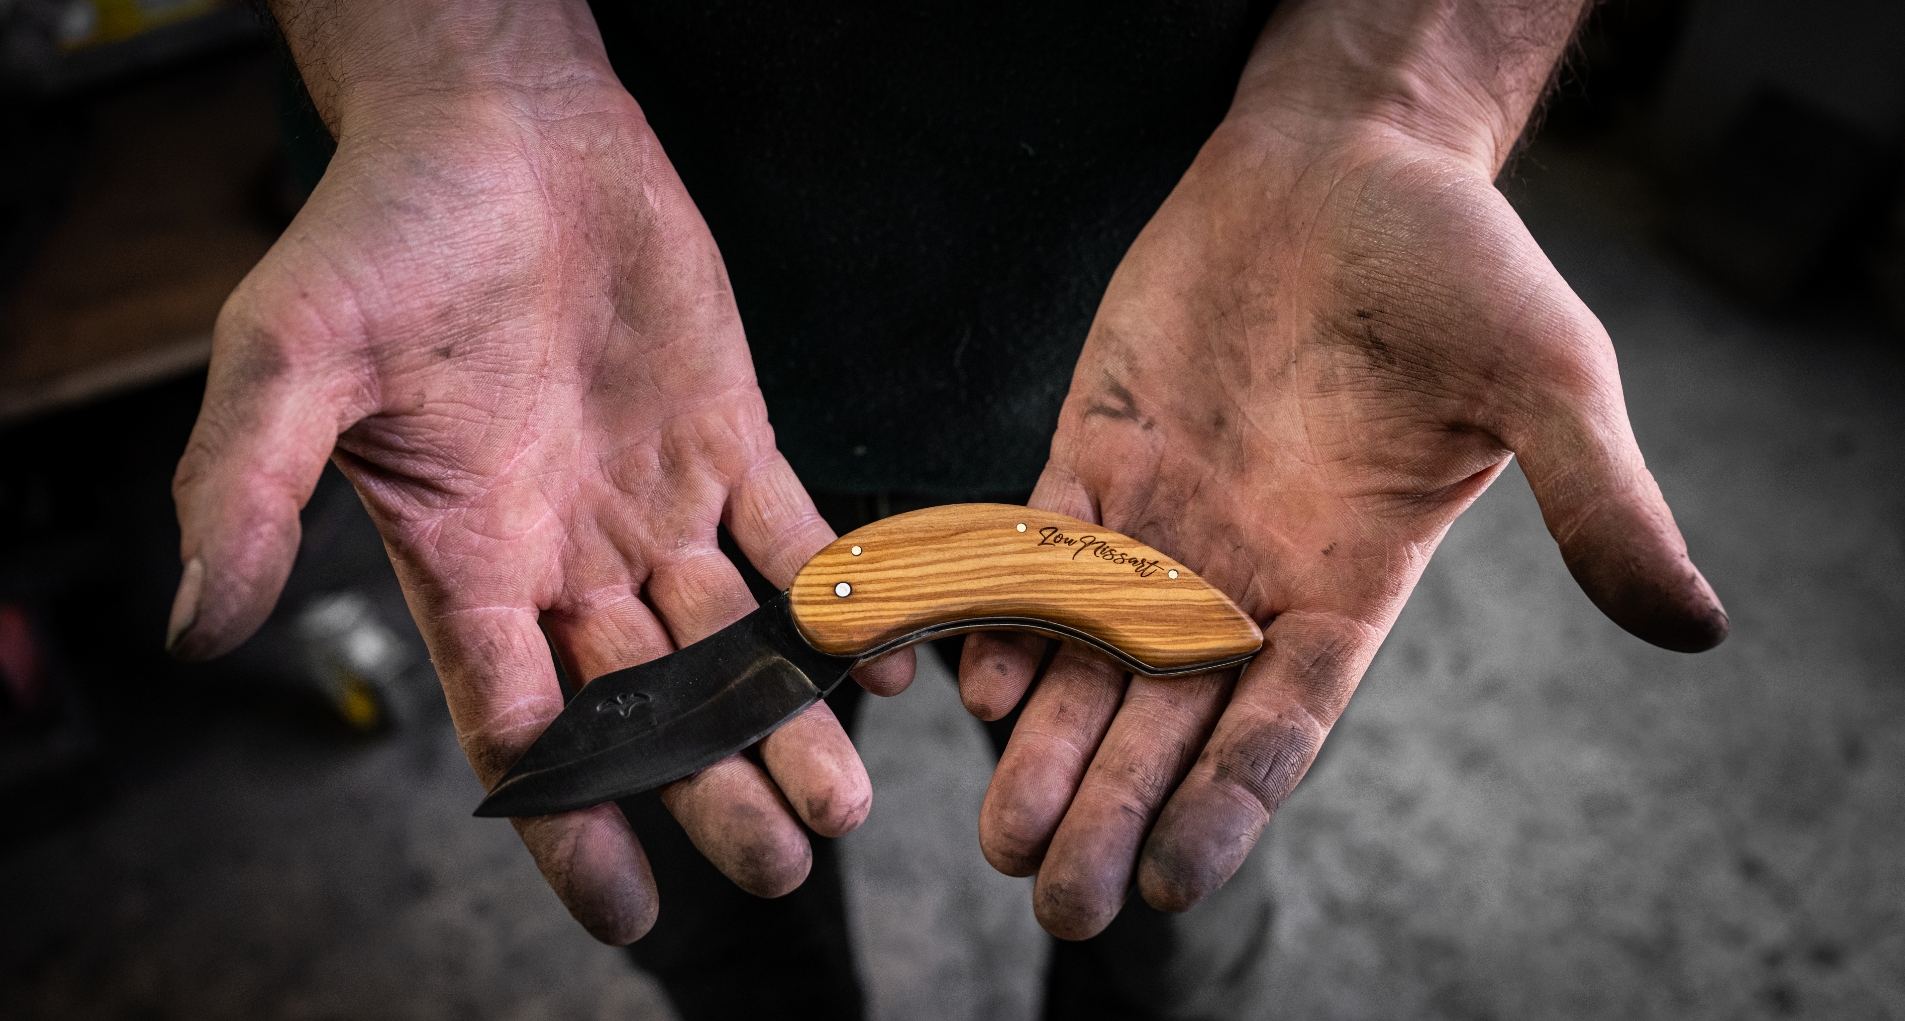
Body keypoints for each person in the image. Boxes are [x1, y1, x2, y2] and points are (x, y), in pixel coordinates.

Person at [164, 0, 1728, 1016]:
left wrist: (1402, 86)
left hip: (1205, 358)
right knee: (724, 913)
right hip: (583, 388)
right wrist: (446, 65)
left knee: (1165, 896)